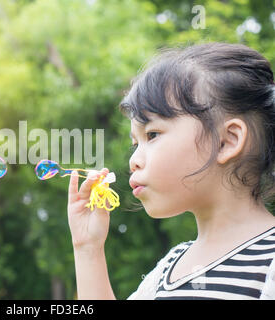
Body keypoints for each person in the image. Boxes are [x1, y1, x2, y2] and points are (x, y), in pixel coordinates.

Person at [67, 42, 275, 300]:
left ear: (227, 141)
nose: (134, 161)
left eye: (152, 135)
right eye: (135, 144)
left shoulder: (269, 264)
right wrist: (88, 248)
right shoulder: (167, 269)